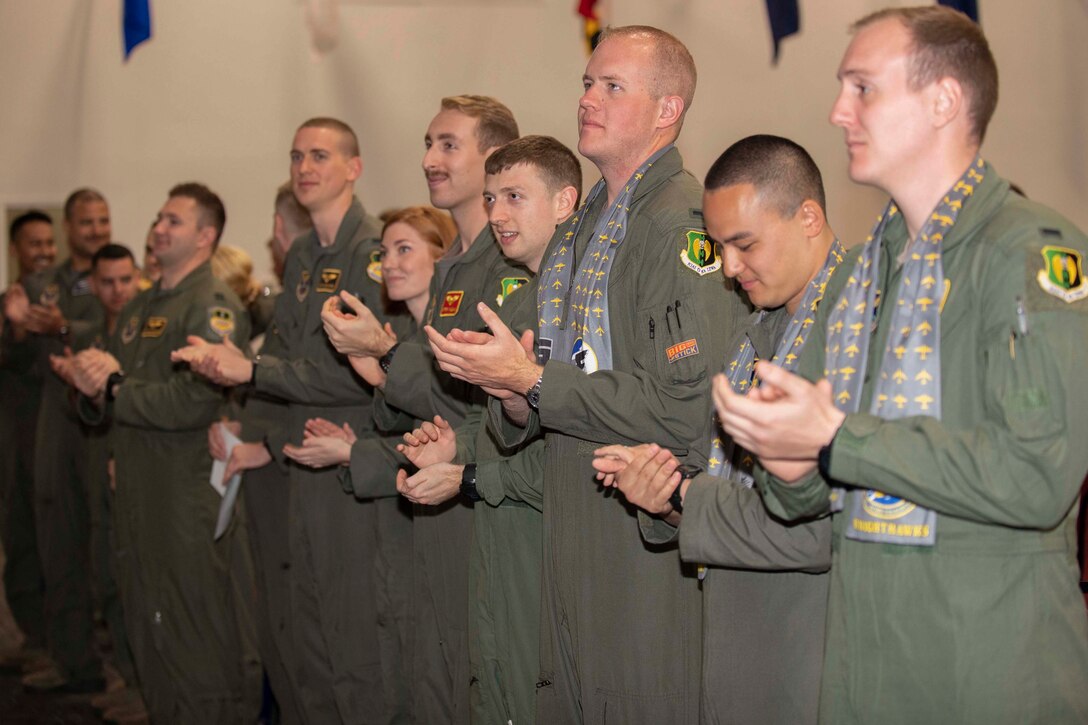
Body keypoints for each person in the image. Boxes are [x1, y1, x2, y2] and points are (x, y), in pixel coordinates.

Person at [715, 7, 1088, 723]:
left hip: (985, 669)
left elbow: (1039, 473)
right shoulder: (868, 273)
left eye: (863, 88)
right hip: (867, 663)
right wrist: (790, 466)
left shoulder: (1027, 253)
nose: (837, 111)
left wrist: (836, 437)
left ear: (944, 101)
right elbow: (829, 496)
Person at [425, 27, 746, 722]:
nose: (588, 100)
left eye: (612, 86)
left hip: (642, 538)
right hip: (568, 525)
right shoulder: (582, 228)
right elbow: (551, 393)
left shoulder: (679, 226)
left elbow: (690, 408)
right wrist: (514, 393)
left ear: (668, 110)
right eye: (586, 84)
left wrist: (535, 382)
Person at [592, 135, 848, 724]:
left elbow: (816, 527)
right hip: (740, 630)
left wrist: (687, 496)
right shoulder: (759, 328)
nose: (729, 269)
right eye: (720, 247)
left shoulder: (858, 324)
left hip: (812, 644)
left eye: (744, 244)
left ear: (808, 218)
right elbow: (735, 491)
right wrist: (665, 496)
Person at [173, 117, 404, 724]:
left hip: (351, 457)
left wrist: (250, 373)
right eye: (297, 155)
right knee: (310, 638)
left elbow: (353, 372)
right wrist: (250, 425)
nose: (304, 167)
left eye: (320, 155)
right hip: (300, 461)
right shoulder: (303, 253)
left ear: (353, 168)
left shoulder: (373, 253)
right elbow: (280, 358)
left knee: (354, 640)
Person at [319, 95, 522, 724]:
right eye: (428, 144)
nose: (430, 159)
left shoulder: (508, 265)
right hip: (439, 485)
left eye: (448, 145)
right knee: (428, 670)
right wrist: (380, 373)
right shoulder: (459, 266)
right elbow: (436, 399)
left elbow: (495, 402)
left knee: (473, 675)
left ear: (492, 158)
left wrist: (386, 353)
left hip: (486, 499)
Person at [397, 135, 580, 725]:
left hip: (552, 534)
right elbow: (503, 422)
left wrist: (474, 474)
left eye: (515, 197)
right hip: (506, 530)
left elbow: (581, 439)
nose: (497, 214)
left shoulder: (582, 297)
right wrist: (461, 444)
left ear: (564, 202)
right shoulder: (525, 301)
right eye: (492, 197)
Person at [70, 183, 256, 723]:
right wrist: (88, 387)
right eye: (158, 218)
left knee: (192, 633)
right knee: (147, 624)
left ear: (205, 236)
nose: (158, 229)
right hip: (138, 487)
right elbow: (114, 389)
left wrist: (113, 389)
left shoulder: (210, 306)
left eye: (173, 221)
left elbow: (193, 403)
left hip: (182, 495)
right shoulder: (143, 304)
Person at [285, 203, 455, 723]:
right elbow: (404, 428)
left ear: (441, 259)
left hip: (439, 520)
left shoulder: (445, 337)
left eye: (405, 250)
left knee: (430, 661)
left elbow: (453, 431)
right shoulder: (404, 333)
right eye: (384, 253)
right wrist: (353, 436)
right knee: (395, 648)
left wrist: (352, 451)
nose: (390, 264)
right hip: (400, 519)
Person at [3, 190, 111, 693]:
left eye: (103, 220)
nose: (96, 230)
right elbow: (19, 350)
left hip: (105, 422)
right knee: (55, 536)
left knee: (103, 540)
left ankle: (111, 661)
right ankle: (68, 655)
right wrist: (20, 323)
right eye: (86, 222)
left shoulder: (118, 273)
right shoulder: (46, 283)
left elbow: (117, 327)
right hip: (53, 419)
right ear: (69, 227)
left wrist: (66, 325)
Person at [50, 243, 146, 721]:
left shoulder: (144, 328)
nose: (117, 291)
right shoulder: (91, 334)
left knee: (135, 581)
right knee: (106, 573)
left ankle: (145, 690)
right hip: (99, 454)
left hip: (137, 465)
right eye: (106, 282)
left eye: (125, 280)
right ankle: (127, 678)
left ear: (138, 278)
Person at [0, 210, 56, 672]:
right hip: (15, 439)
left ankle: (66, 639)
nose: (44, 252)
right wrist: (18, 329)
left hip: (61, 435)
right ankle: (32, 637)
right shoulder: (6, 304)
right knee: (20, 534)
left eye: (48, 243)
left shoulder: (66, 304)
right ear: (15, 250)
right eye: (34, 244)